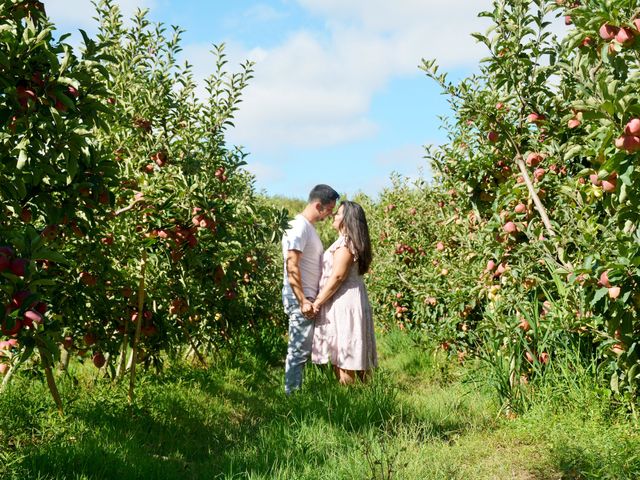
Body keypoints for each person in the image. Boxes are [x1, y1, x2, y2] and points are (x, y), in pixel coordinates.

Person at [311, 200, 377, 384]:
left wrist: (317, 302)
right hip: (349, 300)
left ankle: (350, 400)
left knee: (345, 352)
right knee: (353, 350)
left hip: (344, 303)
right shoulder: (348, 242)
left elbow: (337, 277)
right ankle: (367, 398)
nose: (334, 215)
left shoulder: (346, 244)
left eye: (338, 213)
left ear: (347, 220)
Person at [282, 184, 340, 395]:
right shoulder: (298, 227)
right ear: (318, 205)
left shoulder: (307, 228)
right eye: (329, 210)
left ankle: (295, 394)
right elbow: (292, 264)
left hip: (307, 296)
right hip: (302, 297)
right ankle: (292, 398)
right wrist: (302, 300)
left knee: (303, 350)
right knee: (298, 351)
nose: (330, 214)